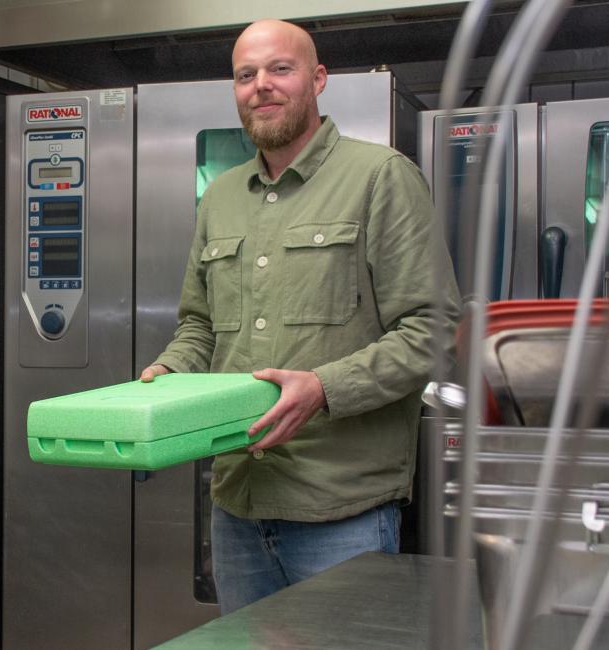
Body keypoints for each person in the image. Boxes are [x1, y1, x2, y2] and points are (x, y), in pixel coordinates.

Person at [140, 19, 460, 613]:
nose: (260, 85)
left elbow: (433, 330)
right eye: (245, 75)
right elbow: (200, 327)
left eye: (279, 70)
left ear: (317, 79)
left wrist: (323, 388)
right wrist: (166, 373)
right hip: (237, 503)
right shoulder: (221, 197)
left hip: (342, 512)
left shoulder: (380, 177)